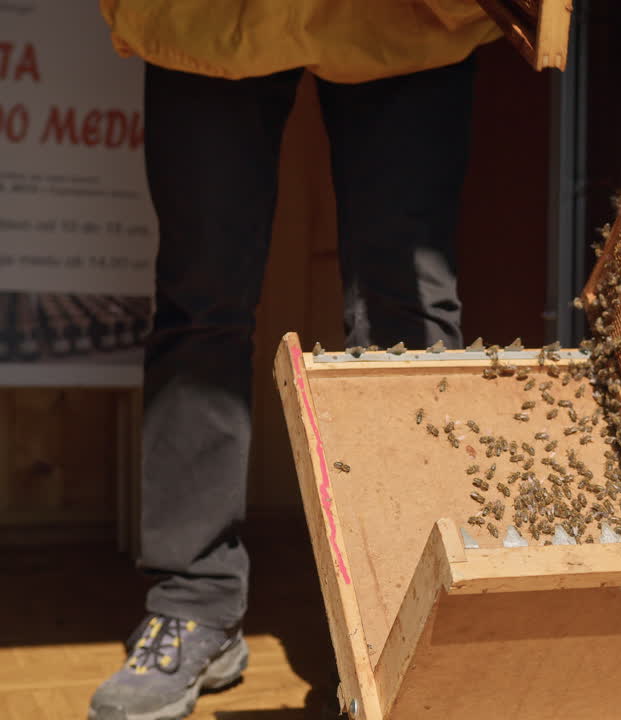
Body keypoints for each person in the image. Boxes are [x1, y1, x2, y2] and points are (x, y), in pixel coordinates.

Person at [90, 3, 500, 718]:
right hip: (210, 16)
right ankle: (195, 599)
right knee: (199, 303)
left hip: (410, 14)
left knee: (406, 315)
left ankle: (404, 619)